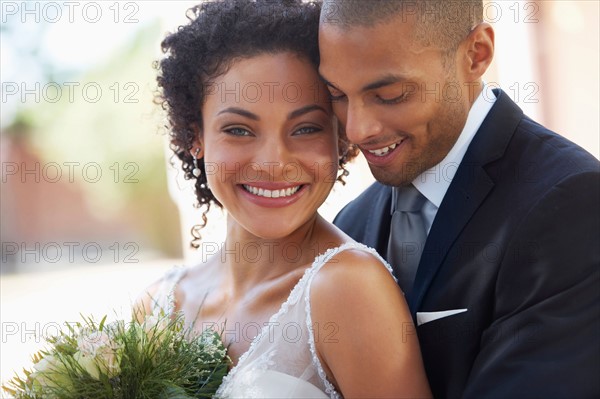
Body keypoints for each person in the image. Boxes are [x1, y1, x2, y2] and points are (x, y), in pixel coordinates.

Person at [136, 1, 432, 397]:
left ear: (339, 137)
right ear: (196, 137)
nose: (274, 163)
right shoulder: (157, 306)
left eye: (305, 128)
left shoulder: (348, 290)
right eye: (239, 130)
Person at [320, 1, 600, 398]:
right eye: (337, 94)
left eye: (390, 94)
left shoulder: (571, 202)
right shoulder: (351, 221)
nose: (356, 129)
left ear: (476, 54)